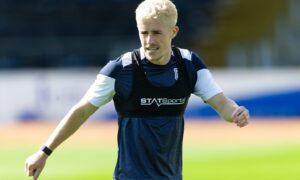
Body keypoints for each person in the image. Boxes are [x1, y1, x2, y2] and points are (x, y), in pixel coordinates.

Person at [25, 0, 250, 179]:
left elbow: (221, 103)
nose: (149, 40)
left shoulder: (189, 64)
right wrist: (44, 152)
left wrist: (235, 113)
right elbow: (81, 110)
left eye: (156, 33)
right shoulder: (120, 69)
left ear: (174, 31)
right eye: (144, 32)